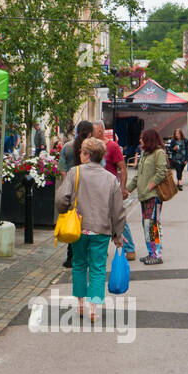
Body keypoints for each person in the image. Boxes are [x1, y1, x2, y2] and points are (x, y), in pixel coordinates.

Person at [55, 136, 125, 323]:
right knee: (98, 267)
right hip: (101, 229)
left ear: (86, 155)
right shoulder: (111, 179)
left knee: (79, 264)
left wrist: (65, 210)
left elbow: (62, 199)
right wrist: (118, 234)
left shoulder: (74, 172)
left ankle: (80, 304)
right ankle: (93, 308)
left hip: (79, 228)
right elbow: (118, 209)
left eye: (81, 152)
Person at [93, 121, 136, 262]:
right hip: (96, 191)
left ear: (100, 131)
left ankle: (129, 248)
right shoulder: (92, 147)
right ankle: (101, 250)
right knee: (99, 221)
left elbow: (122, 168)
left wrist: (123, 187)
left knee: (118, 219)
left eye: (93, 131)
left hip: (111, 189)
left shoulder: (112, 146)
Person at [127, 127, 168, 265]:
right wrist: (127, 190)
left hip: (154, 195)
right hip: (144, 195)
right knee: (146, 225)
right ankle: (151, 252)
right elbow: (138, 176)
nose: (140, 141)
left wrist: (151, 185)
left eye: (142, 138)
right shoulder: (144, 154)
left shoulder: (159, 153)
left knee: (152, 225)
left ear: (149, 139)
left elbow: (161, 172)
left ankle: (157, 254)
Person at [57, 121, 93, 269]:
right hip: (88, 189)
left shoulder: (67, 147)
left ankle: (71, 256)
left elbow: (62, 168)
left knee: (73, 221)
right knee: (87, 223)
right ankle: (86, 254)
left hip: (73, 189)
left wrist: (67, 184)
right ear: (90, 133)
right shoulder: (93, 148)